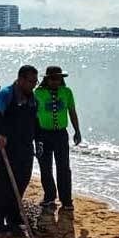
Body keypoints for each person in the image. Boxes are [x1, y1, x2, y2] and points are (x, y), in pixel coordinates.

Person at [0, 65, 40, 235]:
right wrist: (2, 133)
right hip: (7, 146)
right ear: (21, 79)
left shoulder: (33, 98)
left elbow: (35, 122)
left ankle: (13, 216)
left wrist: (38, 141)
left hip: (25, 147)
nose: (34, 84)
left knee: (22, 181)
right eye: (31, 81)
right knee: (5, 184)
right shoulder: (5, 94)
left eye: (35, 81)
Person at [34, 65, 81, 211]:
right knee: (45, 167)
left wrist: (77, 131)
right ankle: (49, 196)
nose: (56, 82)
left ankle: (66, 200)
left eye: (58, 79)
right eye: (53, 79)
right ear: (47, 79)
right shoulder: (38, 93)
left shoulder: (66, 92)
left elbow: (72, 111)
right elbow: (32, 114)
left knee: (63, 167)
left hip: (60, 134)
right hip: (42, 134)